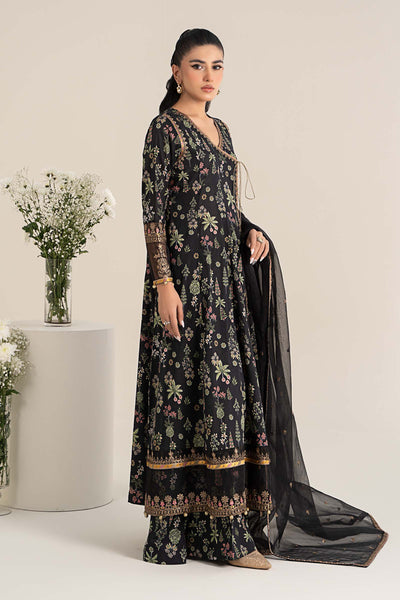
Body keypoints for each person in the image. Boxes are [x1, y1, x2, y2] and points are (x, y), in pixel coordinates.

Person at [128, 28, 389, 568]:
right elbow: (154, 214)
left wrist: (250, 230)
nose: (209, 76)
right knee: (182, 397)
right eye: (198, 66)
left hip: (224, 287)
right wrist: (164, 285)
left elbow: (222, 205)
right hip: (185, 286)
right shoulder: (164, 130)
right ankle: (176, 533)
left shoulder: (221, 129)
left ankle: (227, 533)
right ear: (176, 71)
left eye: (218, 66)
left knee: (224, 400)